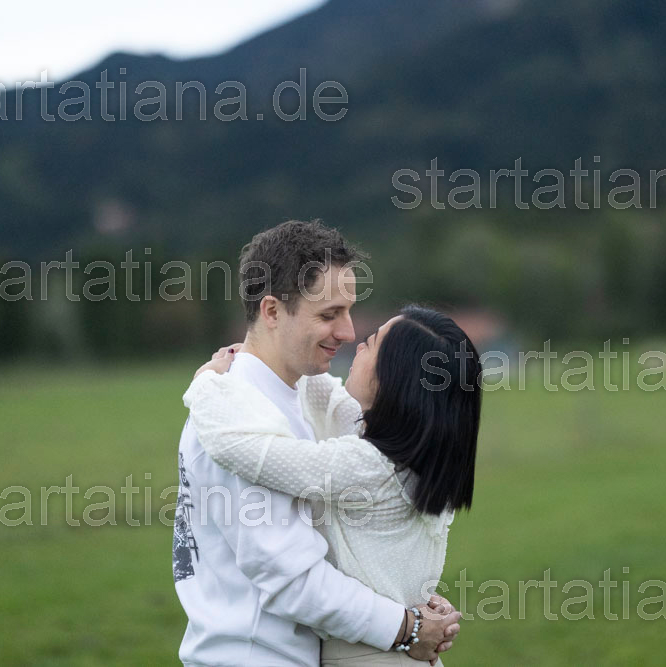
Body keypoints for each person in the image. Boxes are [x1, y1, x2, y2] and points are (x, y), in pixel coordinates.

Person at [172, 220, 461, 666]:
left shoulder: (301, 398)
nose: (348, 332)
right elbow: (294, 582)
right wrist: (407, 627)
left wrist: (407, 595)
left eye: (349, 311)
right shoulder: (238, 417)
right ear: (272, 311)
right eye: (329, 314)